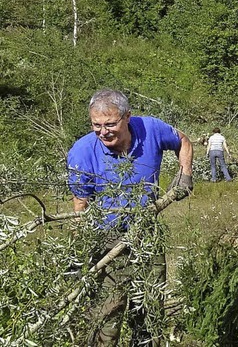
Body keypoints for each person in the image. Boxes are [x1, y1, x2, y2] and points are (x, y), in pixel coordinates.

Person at [67, 89, 193, 346]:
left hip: (147, 232)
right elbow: (80, 206)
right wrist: (81, 250)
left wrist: (185, 173)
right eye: (96, 125)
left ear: (127, 117)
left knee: (149, 309)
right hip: (107, 241)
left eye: (110, 124)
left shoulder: (151, 128)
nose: (103, 132)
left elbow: (183, 140)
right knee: (107, 314)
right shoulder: (82, 153)